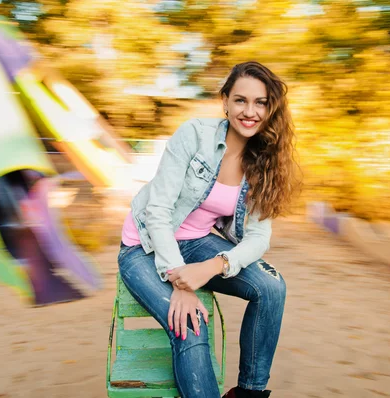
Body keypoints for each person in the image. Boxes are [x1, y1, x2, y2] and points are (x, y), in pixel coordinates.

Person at [117, 61, 297, 398]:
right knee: (191, 326)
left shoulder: (264, 160)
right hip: (145, 247)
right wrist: (180, 280)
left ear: (270, 108)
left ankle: (249, 392)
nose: (250, 112)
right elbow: (157, 210)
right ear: (225, 101)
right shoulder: (194, 135)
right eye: (241, 100)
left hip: (197, 244)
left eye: (260, 103)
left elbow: (259, 236)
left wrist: (216, 266)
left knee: (271, 288)